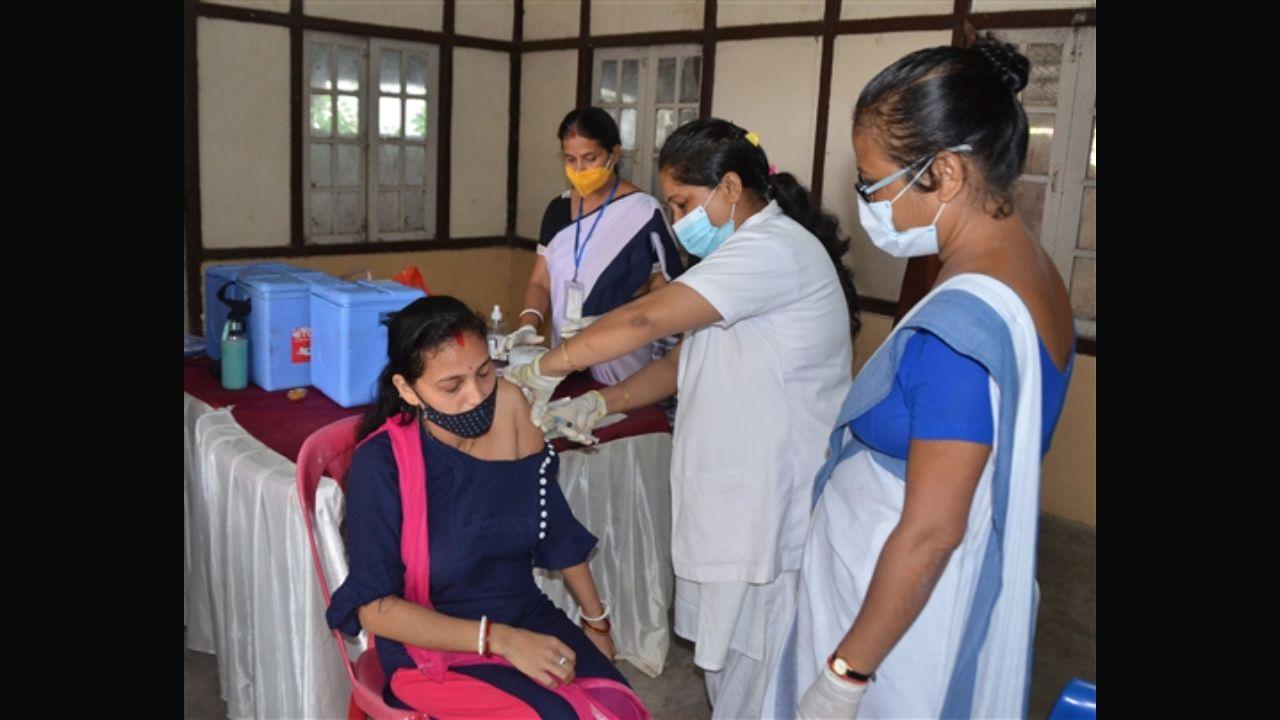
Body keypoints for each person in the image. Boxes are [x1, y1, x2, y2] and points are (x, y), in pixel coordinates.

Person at [506, 118, 862, 718]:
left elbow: (646, 320)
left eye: (681, 203)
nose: (676, 221)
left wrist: (543, 368)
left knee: (761, 674)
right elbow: (683, 363)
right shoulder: (742, 256)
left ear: (729, 187)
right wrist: (598, 401)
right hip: (738, 491)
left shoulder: (770, 251)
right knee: (731, 669)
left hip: (771, 500)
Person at [770, 36, 1078, 719]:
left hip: (903, 622)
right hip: (901, 586)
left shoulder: (962, 325)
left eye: (872, 182)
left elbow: (934, 529)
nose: (866, 202)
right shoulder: (1030, 267)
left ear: (945, 172)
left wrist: (846, 675)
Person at [324, 296, 649, 719]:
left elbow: (554, 524)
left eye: (483, 373)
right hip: (432, 644)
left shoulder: (510, 406)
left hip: (525, 614)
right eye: (451, 386)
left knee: (619, 709)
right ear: (407, 389)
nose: (476, 396)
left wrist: (595, 621)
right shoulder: (382, 464)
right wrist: (499, 640)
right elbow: (376, 609)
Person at [502, 107, 685, 385]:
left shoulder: (643, 212)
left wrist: (617, 319)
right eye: (570, 159)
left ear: (614, 154)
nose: (579, 169)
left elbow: (668, 292)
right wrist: (529, 323)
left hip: (623, 363)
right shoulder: (558, 210)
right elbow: (540, 282)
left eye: (590, 158)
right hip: (565, 357)